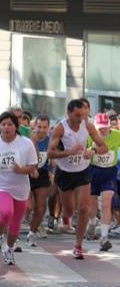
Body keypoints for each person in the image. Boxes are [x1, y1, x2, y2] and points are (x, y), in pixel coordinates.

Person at [47, 98, 107, 259]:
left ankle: (78, 245)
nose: (81, 118)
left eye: (83, 115)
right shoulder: (60, 128)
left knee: (84, 208)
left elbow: (104, 146)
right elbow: (50, 153)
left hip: (82, 171)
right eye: (77, 115)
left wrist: (92, 151)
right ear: (69, 113)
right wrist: (69, 152)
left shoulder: (87, 126)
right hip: (65, 172)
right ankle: (65, 218)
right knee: (68, 210)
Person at [0, 112, 38, 265]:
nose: (6, 127)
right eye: (3, 124)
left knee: (16, 223)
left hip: (20, 187)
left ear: (16, 127)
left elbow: (32, 166)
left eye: (10, 124)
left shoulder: (26, 143)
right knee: (6, 211)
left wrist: (22, 170)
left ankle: (9, 249)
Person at [87, 113, 120, 251]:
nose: (103, 131)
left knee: (106, 203)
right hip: (93, 171)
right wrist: (89, 151)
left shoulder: (117, 135)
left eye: (105, 128)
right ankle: (93, 223)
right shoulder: (89, 136)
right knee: (92, 201)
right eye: (100, 128)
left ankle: (104, 237)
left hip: (109, 172)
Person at [27, 115, 52, 247]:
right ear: (34, 127)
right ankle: (23, 223)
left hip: (42, 174)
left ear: (48, 128)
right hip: (26, 173)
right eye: (39, 127)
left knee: (40, 206)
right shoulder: (28, 140)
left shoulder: (51, 141)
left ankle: (32, 232)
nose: (42, 130)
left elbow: (53, 159)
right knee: (28, 206)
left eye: (44, 127)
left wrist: (52, 172)